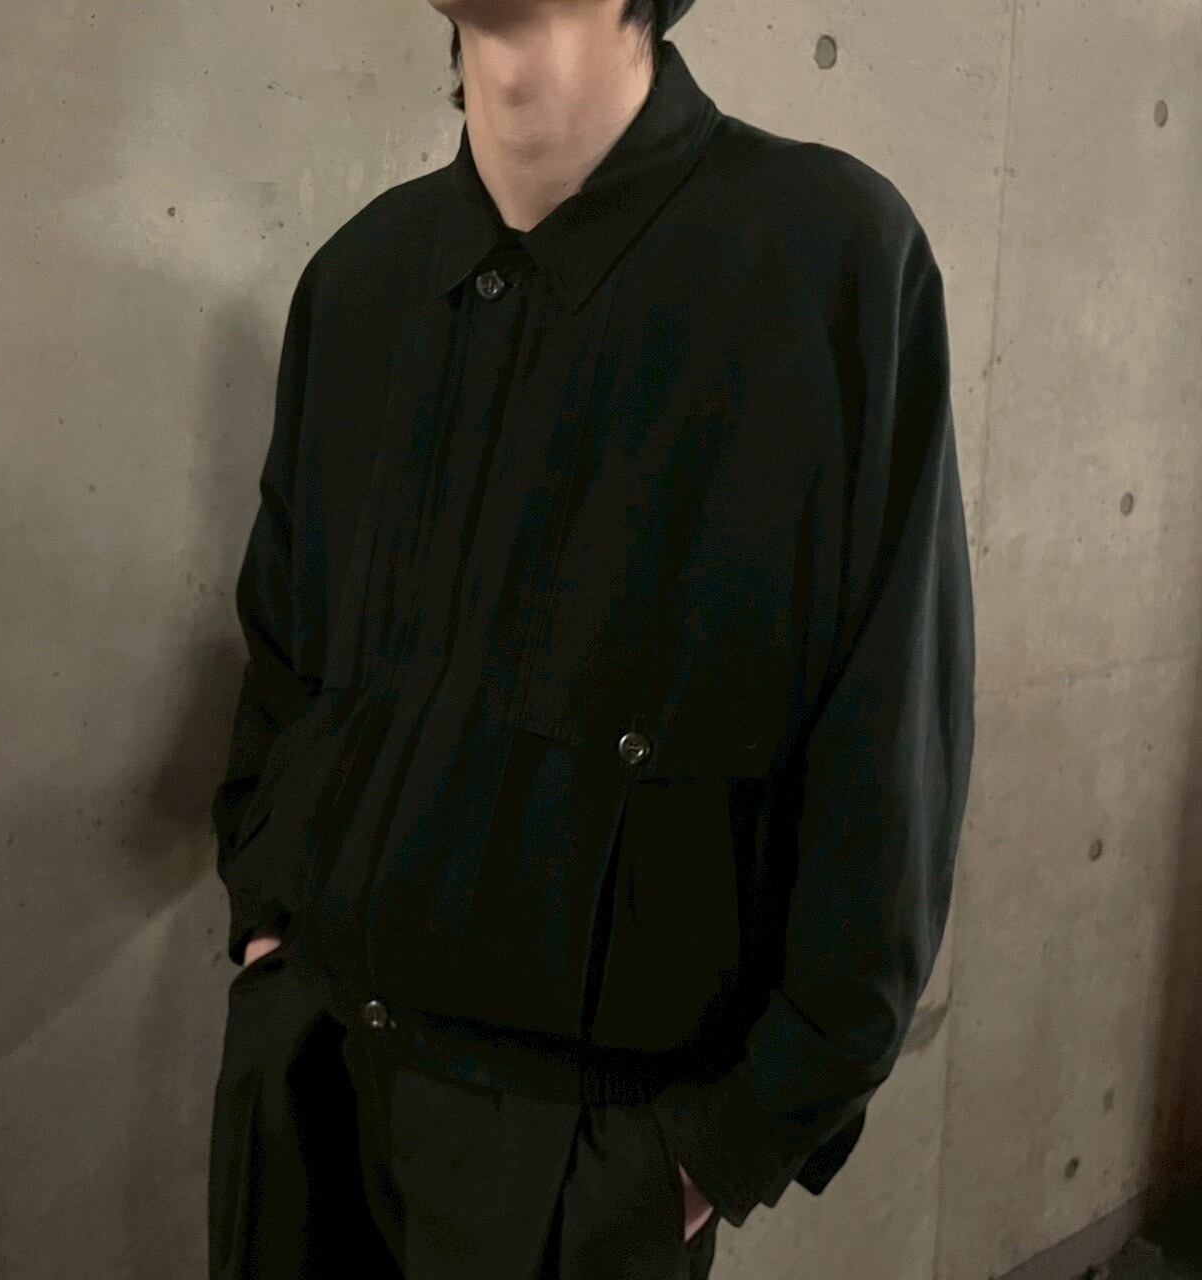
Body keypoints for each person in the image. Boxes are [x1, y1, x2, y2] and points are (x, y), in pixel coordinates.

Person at [205, 0, 977, 1276]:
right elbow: (285, 656)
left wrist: (714, 1146)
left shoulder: (823, 260)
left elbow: (889, 755)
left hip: (572, 1162)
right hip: (303, 1081)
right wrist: (267, 921)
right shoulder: (358, 278)